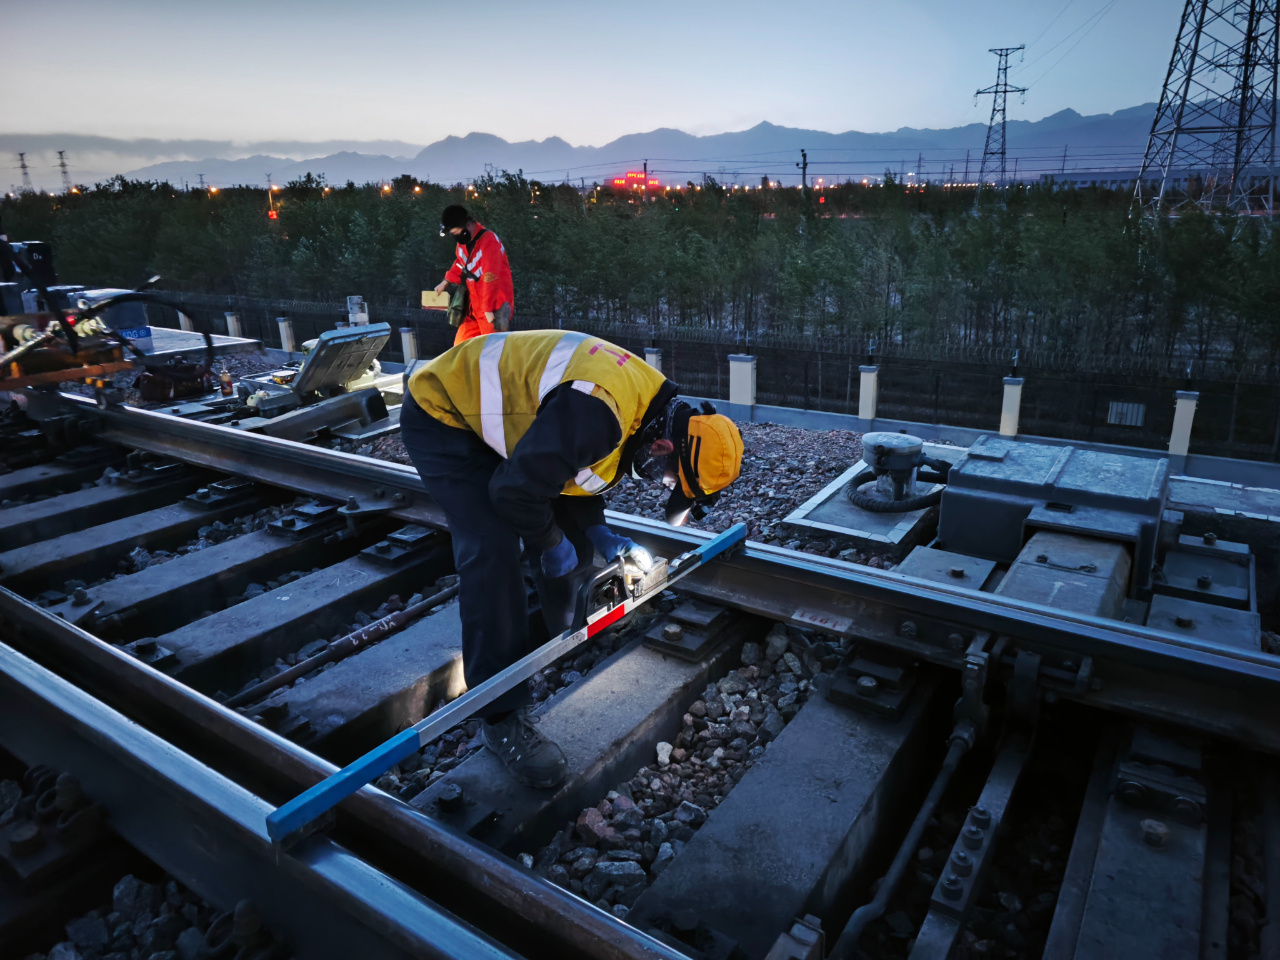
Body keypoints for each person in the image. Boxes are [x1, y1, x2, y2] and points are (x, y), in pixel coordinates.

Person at [401, 330, 743, 788]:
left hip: (504, 422)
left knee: (568, 536)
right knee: (492, 547)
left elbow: (569, 467)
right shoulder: (598, 411)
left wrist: (595, 531)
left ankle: (560, 624)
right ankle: (500, 717)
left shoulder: (652, 407)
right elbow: (514, 491)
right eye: (668, 481)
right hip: (444, 413)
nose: (660, 485)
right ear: (664, 447)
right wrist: (551, 543)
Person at [433, 204, 514, 345]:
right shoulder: (464, 243)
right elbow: (460, 262)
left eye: (456, 232)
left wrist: (488, 310)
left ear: (467, 225)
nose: (455, 236)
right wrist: (446, 282)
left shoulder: (489, 241)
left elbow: (490, 277)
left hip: (494, 307)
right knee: (461, 347)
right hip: (474, 308)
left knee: (492, 349)